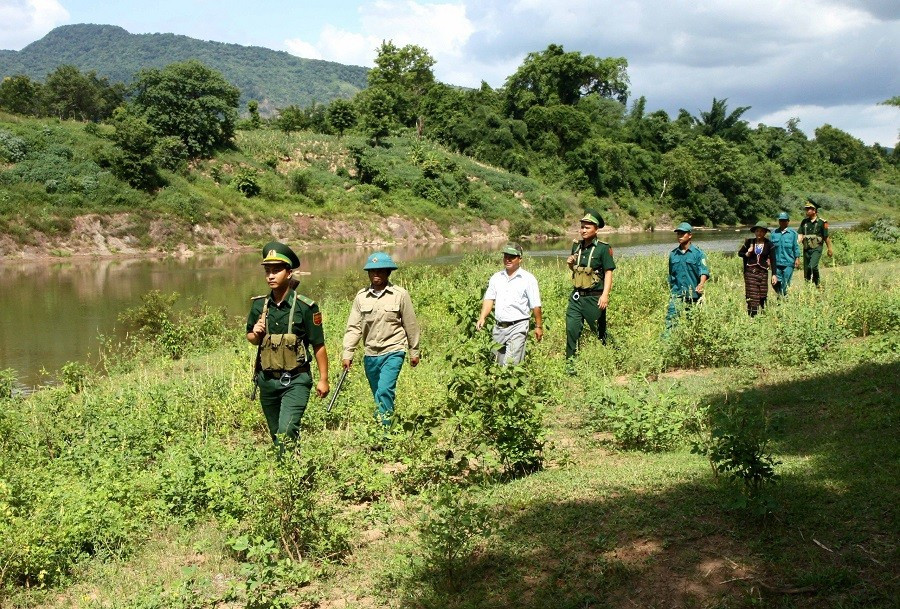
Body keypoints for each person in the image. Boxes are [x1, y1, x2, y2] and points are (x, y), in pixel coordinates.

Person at [246, 241, 329, 445]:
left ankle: (291, 470)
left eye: (276, 271)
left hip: (296, 380)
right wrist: (255, 333)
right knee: (276, 434)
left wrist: (323, 378)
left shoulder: (305, 307)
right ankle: (287, 471)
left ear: (289, 273)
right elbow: (251, 337)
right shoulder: (259, 305)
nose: (271, 276)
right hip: (267, 380)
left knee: (287, 429)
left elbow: (318, 345)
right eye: (268, 271)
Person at [342, 252, 420, 428]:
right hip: (370, 354)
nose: (376, 274)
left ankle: (385, 435)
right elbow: (354, 328)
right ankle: (384, 425)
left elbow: (411, 324)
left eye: (380, 271)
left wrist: (414, 351)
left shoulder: (400, 294)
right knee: (378, 393)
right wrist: (348, 353)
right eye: (372, 271)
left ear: (388, 272)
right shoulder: (361, 297)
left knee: (385, 390)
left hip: (394, 350)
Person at [475, 244, 543, 365]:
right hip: (499, 328)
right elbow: (489, 299)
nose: (508, 260)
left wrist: (538, 326)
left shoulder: (528, 279)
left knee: (510, 364)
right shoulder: (496, 278)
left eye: (512, 257)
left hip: (518, 326)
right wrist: (482, 317)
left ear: (520, 259)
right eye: (506, 256)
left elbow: (536, 305)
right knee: (497, 363)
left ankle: (513, 383)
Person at [565, 208, 616, 363]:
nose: (583, 230)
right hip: (576, 297)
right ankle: (570, 363)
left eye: (587, 227)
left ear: (596, 229)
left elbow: (608, 273)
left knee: (599, 332)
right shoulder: (576, 246)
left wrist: (605, 295)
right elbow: (577, 271)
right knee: (571, 329)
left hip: (594, 298)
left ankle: (615, 354)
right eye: (582, 227)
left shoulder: (603, 248)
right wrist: (570, 265)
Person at [667, 222, 710, 329]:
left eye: (682, 233)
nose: (680, 236)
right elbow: (671, 274)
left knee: (692, 322)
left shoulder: (698, 253)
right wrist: (671, 289)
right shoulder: (673, 254)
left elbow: (704, 271)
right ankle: (667, 343)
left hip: (693, 295)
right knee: (671, 319)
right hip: (677, 293)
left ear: (690, 235)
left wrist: (701, 284)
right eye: (678, 234)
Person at [738, 221, 777, 316]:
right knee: (752, 295)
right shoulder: (749, 242)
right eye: (757, 231)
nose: (759, 233)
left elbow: (773, 260)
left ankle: (763, 314)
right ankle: (752, 315)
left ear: (765, 233)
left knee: (762, 294)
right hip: (750, 273)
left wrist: (774, 275)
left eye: (762, 231)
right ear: (754, 232)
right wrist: (747, 253)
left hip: (763, 273)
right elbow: (740, 253)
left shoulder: (769, 244)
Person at [798, 199, 833, 286]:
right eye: (806, 209)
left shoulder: (822, 222)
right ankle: (809, 289)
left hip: (817, 248)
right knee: (806, 271)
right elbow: (800, 235)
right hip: (806, 249)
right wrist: (796, 243)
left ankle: (817, 284)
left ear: (814, 210)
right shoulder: (804, 222)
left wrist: (829, 249)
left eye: (809, 208)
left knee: (812, 266)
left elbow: (826, 237)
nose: (807, 210)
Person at [769, 211, 800, 296]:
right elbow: (769, 248)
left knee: (785, 282)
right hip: (776, 263)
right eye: (781, 220)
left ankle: (783, 300)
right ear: (779, 221)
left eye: (784, 220)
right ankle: (781, 295)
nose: (782, 222)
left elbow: (795, 247)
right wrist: (768, 259)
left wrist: (797, 258)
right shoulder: (773, 234)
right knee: (774, 283)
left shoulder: (793, 234)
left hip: (789, 262)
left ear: (788, 221)